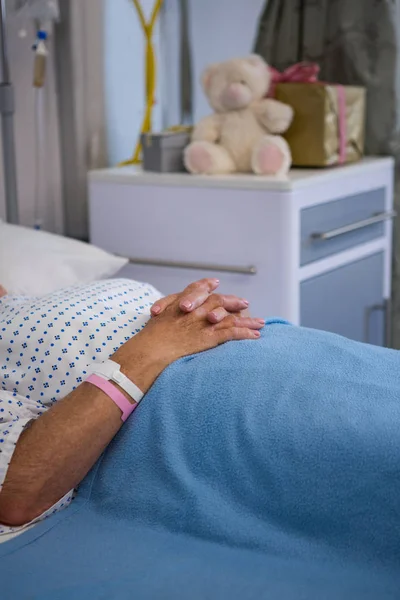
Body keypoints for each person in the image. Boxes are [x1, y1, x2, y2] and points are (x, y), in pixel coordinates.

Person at [0, 277, 264, 539]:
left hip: (276, 352)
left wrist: (217, 314)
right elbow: (18, 492)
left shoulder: (77, 289)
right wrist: (152, 348)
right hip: (241, 414)